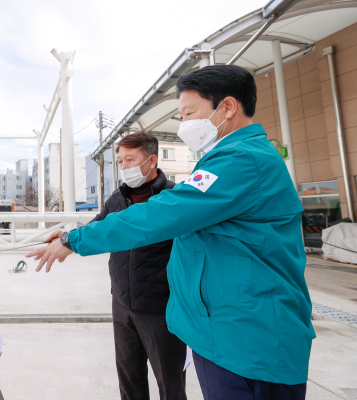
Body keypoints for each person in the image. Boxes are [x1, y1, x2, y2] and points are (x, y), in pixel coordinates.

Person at [27, 65, 315, 400]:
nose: (184, 125)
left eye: (190, 112)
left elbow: (161, 214)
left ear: (227, 107)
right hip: (222, 330)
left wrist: (73, 241)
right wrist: (74, 235)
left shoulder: (241, 160)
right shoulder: (222, 159)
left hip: (248, 339)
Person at [92, 132, 186, 400]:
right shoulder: (116, 200)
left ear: (151, 160)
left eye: (129, 159)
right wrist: (66, 238)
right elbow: (96, 230)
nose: (123, 166)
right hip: (122, 304)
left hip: (160, 308)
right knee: (129, 381)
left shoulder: (174, 197)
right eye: (120, 161)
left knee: (170, 384)